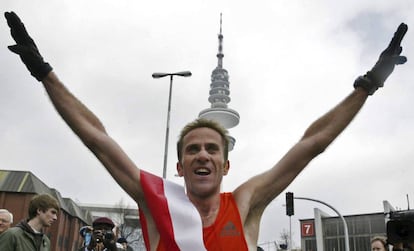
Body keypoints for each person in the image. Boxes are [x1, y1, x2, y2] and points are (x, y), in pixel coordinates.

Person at [3, 11, 408, 251]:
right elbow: (98, 138)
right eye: (192, 149)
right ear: (179, 166)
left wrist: (368, 85)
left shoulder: (246, 203)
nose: (202, 155)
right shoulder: (156, 202)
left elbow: (311, 144)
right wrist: (44, 72)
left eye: (212, 149)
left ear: (226, 164)